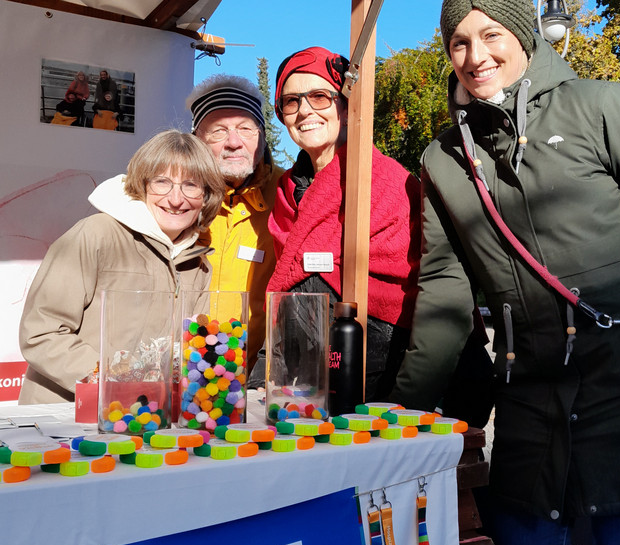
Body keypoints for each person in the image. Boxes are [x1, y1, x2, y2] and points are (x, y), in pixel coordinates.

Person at [389, 1, 620, 545]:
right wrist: (403, 408)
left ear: (524, 35)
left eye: (491, 35)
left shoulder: (600, 105)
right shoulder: (444, 159)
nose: (476, 57)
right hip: (531, 383)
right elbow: (446, 287)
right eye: (458, 43)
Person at [18, 130, 225, 404]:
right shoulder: (95, 235)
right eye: (162, 182)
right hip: (66, 418)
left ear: (206, 195)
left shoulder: (198, 265)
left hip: (142, 417)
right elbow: (41, 333)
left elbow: (189, 351)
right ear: (141, 185)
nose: (176, 199)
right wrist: (114, 380)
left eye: (191, 185)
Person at [268, 46, 421, 401]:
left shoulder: (385, 180)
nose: (304, 110)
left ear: (345, 104)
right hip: (302, 367)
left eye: (319, 96)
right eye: (291, 102)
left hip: (380, 364)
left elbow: (412, 274)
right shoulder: (286, 191)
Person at [186, 75, 284, 366]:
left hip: (258, 380)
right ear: (196, 141)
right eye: (217, 131)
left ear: (262, 137)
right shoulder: (174, 198)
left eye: (245, 129)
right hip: (182, 377)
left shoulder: (290, 194)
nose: (233, 142)